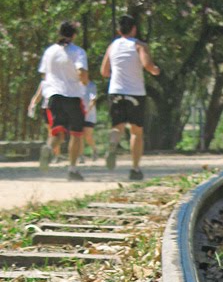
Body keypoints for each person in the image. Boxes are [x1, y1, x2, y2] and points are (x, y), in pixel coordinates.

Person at [101, 14, 160, 180]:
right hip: (135, 92)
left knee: (117, 126)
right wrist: (156, 70)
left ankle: (112, 146)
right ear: (134, 29)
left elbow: (104, 72)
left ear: (119, 30)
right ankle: (135, 168)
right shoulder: (140, 46)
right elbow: (148, 65)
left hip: (115, 91)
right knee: (136, 132)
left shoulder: (112, 46)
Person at [36, 21, 89, 180]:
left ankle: (49, 148)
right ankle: (72, 170)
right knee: (76, 134)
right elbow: (82, 74)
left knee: (58, 132)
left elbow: (44, 75)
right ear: (74, 35)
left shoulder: (49, 52)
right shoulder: (78, 52)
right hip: (72, 96)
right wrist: (84, 82)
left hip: (53, 96)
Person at [28, 80, 62, 164]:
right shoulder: (44, 82)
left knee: (55, 133)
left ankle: (55, 155)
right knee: (51, 133)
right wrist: (32, 105)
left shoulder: (59, 80)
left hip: (56, 108)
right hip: (46, 109)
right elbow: (38, 95)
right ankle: (54, 155)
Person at [82, 80, 98, 161]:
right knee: (79, 135)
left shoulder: (91, 85)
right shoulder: (75, 84)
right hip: (78, 114)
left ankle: (95, 149)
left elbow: (93, 99)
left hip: (89, 115)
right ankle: (80, 156)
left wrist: (87, 110)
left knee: (88, 136)